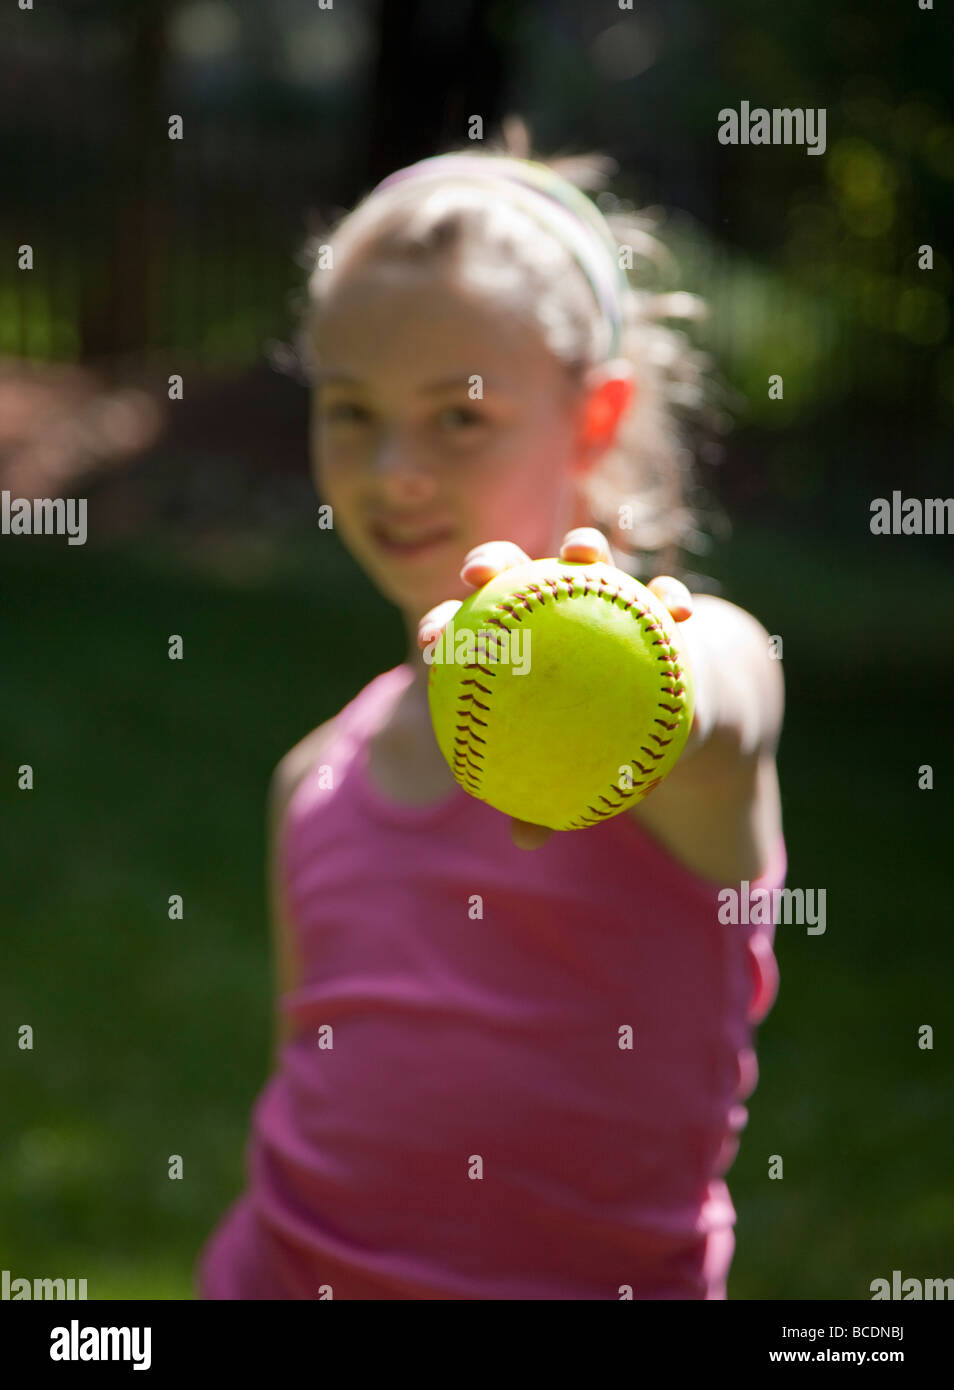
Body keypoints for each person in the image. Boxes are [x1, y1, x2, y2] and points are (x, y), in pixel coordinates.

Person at [195, 121, 785, 1300]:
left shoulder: (683, 702)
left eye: (459, 415)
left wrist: (648, 675)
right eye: (351, 410)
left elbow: (726, 692)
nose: (393, 470)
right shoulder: (318, 775)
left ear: (596, 416)